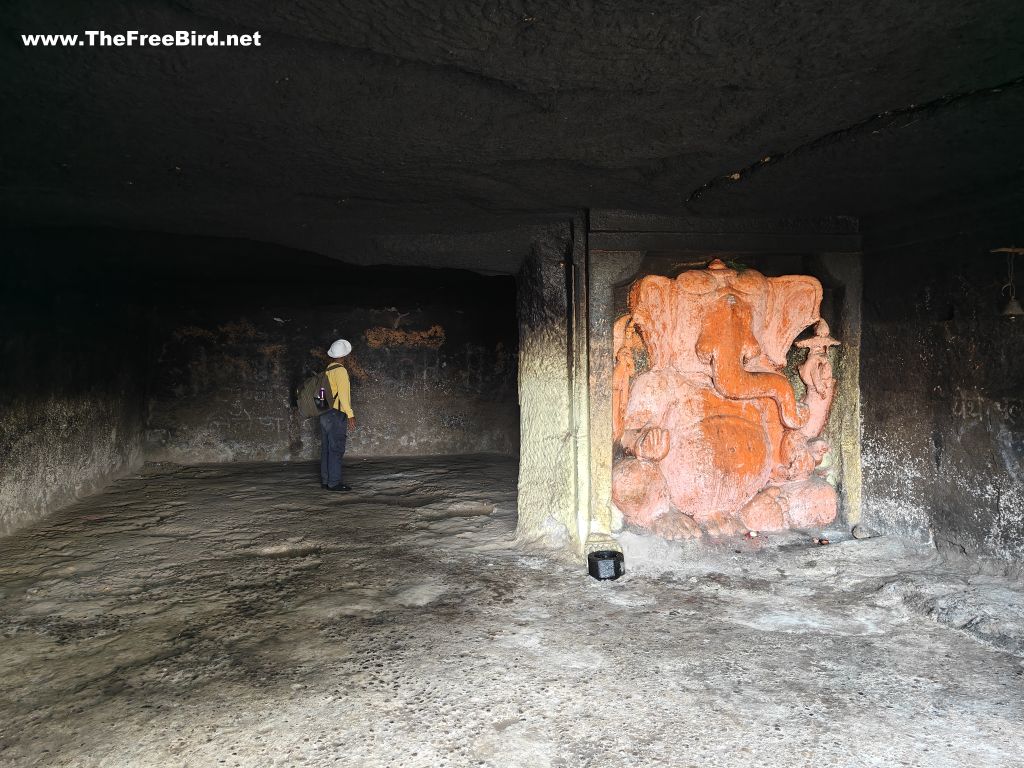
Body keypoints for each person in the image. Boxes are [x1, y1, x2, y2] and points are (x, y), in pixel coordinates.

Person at [320, 339, 357, 491]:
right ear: (344, 356)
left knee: (326, 448)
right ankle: (334, 483)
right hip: (336, 414)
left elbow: (321, 394)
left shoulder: (327, 370)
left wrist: (323, 410)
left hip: (324, 413)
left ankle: (326, 480)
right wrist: (350, 414)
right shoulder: (341, 371)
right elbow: (342, 395)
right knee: (336, 449)